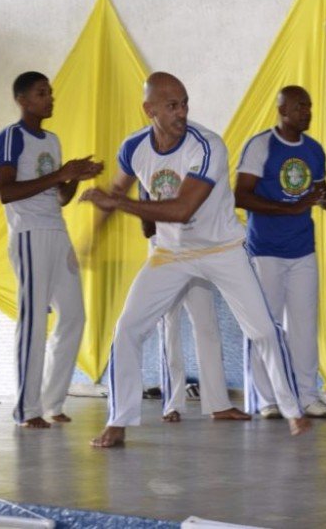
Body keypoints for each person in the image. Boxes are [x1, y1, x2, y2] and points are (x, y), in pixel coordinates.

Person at [83, 72, 310, 448]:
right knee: (127, 330)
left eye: (185, 103)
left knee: (263, 330)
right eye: (172, 106)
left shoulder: (207, 146)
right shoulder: (134, 147)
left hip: (222, 250)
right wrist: (91, 241)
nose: (182, 112)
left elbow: (182, 209)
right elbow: (115, 191)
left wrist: (119, 203)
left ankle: (292, 409)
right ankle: (118, 420)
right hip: (170, 254)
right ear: (150, 110)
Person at [235, 86, 326, 419]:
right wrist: (288, 209)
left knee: (304, 326)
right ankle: (266, 400)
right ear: (282, 110)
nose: (307, 112)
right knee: (265, 326)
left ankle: (307, 397)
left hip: (302, 250)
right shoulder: (261, 145)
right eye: (300, 106)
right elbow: (240, 195)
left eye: (309, 106)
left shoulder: (314, 150)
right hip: (265, 251)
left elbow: (316, 196)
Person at [0, 71, 103, 428]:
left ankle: (52, 402)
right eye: (42, 93)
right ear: (22, 100)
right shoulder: (11, 137)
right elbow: (6, 192)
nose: (50, 98)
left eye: (50, 92)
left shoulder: (52, 140)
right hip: (29, 233)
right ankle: (27, 410)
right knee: (34, 320)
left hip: (57, 231)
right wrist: (59, 174)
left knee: (73, 316)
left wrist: (75, 177)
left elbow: (60, 197)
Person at [140, 213, 249, 423]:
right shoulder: (153, 189)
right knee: (169, 329)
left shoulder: (202, 189)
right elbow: (148, 229)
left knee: (207, 327)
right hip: (165, 257)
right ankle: (172, 405)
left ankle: (218, 404)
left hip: (198, 256)